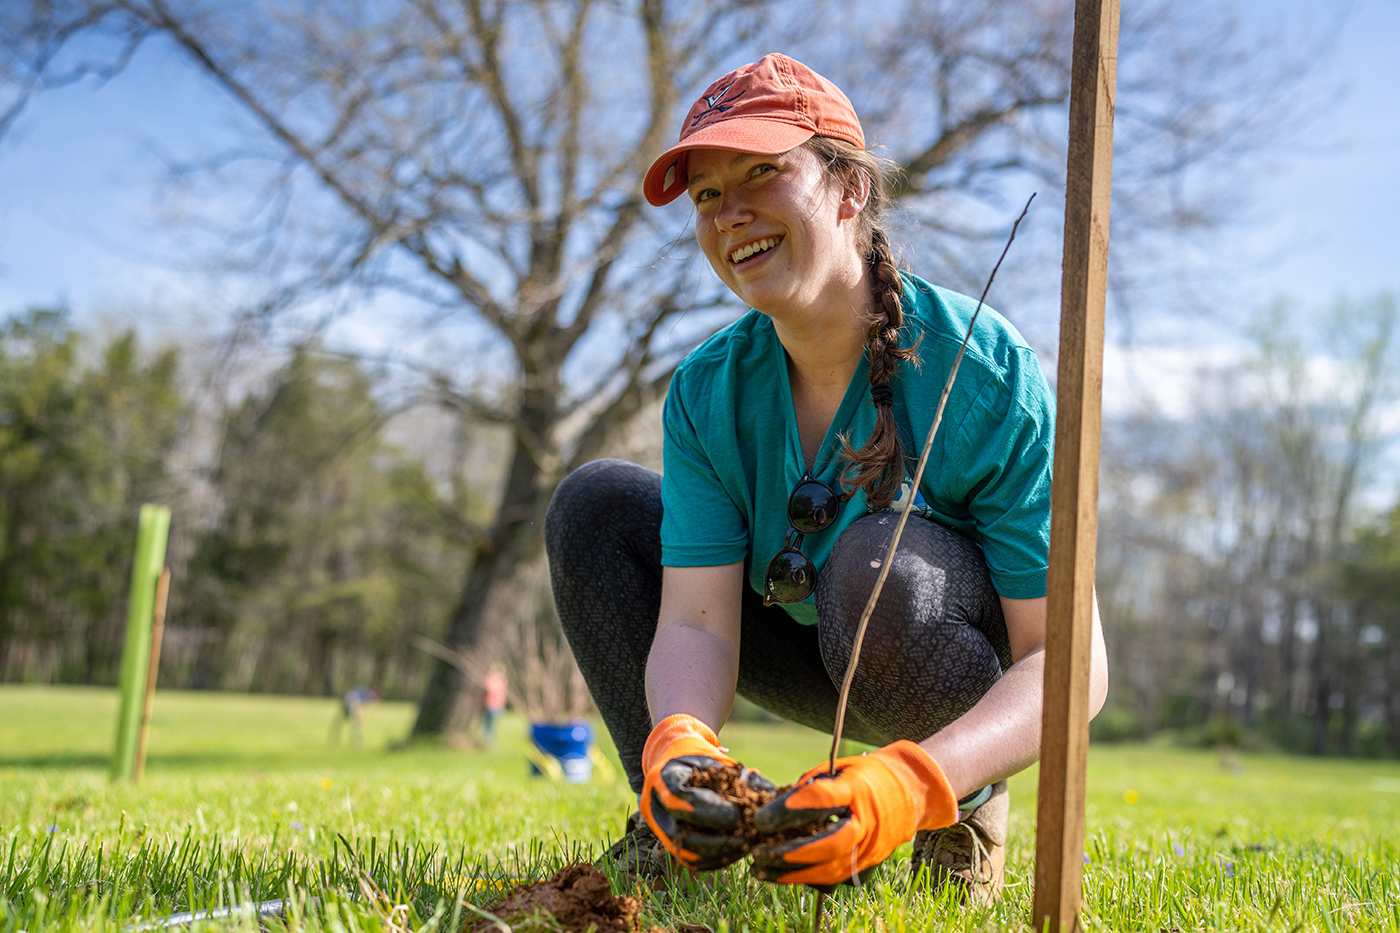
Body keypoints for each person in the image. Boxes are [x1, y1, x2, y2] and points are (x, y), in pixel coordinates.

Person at [545, 53, 1108, 900]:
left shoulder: (984, 371)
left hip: (935, 661)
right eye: (705, 195)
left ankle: (958, 812)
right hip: (803, 640)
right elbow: (697, 621)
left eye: (762, 172)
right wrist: (682, 739)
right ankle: (677, 819)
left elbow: (1069, 662)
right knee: (594, 505)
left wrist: (910, 785)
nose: (729, 212)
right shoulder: (707, 391)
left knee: (875, 561)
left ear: (849, 191)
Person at [482, 662, 508, 744]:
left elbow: (488, 688)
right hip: (499, 705)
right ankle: (489, 740)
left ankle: (489, 740)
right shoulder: (503, 680)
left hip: (493, 704)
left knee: (490, 725)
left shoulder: (492, 680)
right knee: (492, 724)